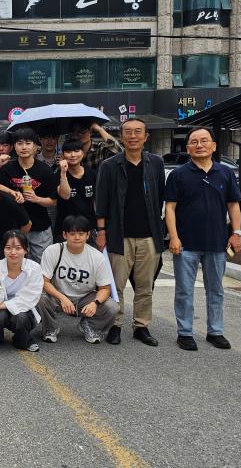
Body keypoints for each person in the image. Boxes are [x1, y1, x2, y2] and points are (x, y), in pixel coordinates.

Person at [165, 127, 241, 351]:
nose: (199, 145)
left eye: (204, 141)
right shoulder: (178, 175)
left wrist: (237, 233)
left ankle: (215, 331)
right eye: (194, 142)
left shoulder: (225, 173)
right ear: (188, 147)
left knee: (216, 290)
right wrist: (174, 237)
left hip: (217, 243)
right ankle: (185, 332)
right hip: (186, 243)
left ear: (214, 146)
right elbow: (170, 208)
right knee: (184, 291)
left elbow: (233, 205)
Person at [95, 118, 165, 347]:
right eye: (128, 132)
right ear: (121, 137)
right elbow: (101, 202)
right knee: (116, 285)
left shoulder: (156, 163)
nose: (133, 136)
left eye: (138, 132)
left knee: (145, 286)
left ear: (146, 137)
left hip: (149, 235)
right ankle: (115, 325)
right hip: (119, 234)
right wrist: (102, 231)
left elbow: (160, 197)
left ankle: (141, 326)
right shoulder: (109, 165)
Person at [37, 215, 119, 344]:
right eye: (72, 234)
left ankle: (89, 325)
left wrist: (95, 303)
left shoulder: (97, 257)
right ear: (64, 235)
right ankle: (50, 328)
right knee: (39, 297)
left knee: (112, 307)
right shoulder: (53, 251)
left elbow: (105, 288)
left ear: (88, 235)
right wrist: (62, 298)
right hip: (58, 295)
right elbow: (44, 282)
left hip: (84, 298)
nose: (77, 237)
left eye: (81, 234)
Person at [0, 127, 58, 263]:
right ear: (14, 146)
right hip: (14, 227)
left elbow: (54, 201)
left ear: (36, 146)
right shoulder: (7, 168)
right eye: (20, 143)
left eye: (28, 143)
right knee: (15, 265)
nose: (24, 147)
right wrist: (12, 192)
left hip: (40, 228)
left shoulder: (45, 171)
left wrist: (37, 199)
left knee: (43, 265)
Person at [0, 230, 42, 352]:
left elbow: (29, 298)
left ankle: (22, 339)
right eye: (8, 248)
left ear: (25, 250)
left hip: (22, 309)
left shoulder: (34, 268)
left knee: (21, 317)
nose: (13, 252)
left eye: (18, 248)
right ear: (3, 249)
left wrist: (1, 305)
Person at [54, 137, 97, 240]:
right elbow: (65, 195)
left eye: (76, 151)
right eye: (68, 152)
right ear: (63, 155)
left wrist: (100, 229)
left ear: (83, 154)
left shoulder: (93, 174)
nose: (73, 155)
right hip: (65, 230)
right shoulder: (57, 175)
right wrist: (63, 172)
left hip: (88, 228)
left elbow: (97, 203)